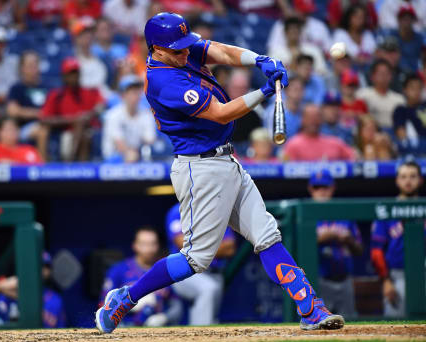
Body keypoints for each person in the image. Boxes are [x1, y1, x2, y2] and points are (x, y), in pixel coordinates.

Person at [95, 12, 345, 334]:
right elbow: (221, 114)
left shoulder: (178, 48)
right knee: (195, 259)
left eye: (186, 46)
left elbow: (220, 52)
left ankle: (310, 308)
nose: (186, 53)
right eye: (178, 50)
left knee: (267, 235)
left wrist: (259, 59)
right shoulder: (163, 80)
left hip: (226, 161)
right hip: (199, 168)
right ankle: (125, 298)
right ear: (156, 49)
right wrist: (264, 93)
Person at [165, 203, 235, 325]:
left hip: (215, 273)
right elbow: (183, 244)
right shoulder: (178, 211)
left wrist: (199, 246)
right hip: (186, 272)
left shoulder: (217, 211)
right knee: (207, 289)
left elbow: (230, 248)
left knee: (211, 317)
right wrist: (216, 246)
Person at [371, 160, 425, 317]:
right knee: (396, 324)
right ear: (397, 180)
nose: (408, 181)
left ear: (420, 180)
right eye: (403, 176)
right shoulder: (386, 210)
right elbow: (376, 251)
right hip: (398, 276)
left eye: (413, 176)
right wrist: (386, 280)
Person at [100, 227, 182, 327]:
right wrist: (129, 305)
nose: (149, 248)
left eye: (153, 244)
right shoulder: (119, 270)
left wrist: (165, 317)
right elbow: (103, 304)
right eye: (144, 244)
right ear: (135, 246)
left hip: (157, 330)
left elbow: (176, 305)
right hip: (125, 327)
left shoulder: (165, 270)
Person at [308, 170, 362, 318]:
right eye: (317, 187)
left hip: (344, 279)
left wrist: (348, 240)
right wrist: (324, 237)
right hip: (318, 280)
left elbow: (359, 250)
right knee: (318, 324)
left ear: (332, 188)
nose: (321, 192)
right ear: (310, 189)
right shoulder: (306, 214)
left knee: (350, 325)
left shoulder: (343, 213)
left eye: (325, 187)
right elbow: (297, 248)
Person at [37, 57, 104, 161]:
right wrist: (72, 120)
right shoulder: (57, 95)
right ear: (64, 76)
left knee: (85, 133)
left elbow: (101, 106)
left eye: (76, 73)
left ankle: (78, 169)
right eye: (70, 74)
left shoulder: (89, 92)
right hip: (63, 133)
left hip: (86, 132)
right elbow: (44, 119)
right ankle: (68, 164)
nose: (74, 77)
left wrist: (89, 115)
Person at [102, 74, 156, 162]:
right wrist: (129, 152)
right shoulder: (113, 115)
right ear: (123, 95)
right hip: (114, 159)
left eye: (138, 91)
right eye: (132, 91)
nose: (136, 95)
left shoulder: (146, 114)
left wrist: (135, 152)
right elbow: (119, 143)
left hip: (137, 156)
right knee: (130, 156)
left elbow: (150, 140)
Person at [283, 104, 355, 161]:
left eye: (317, 117)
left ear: (321, 120)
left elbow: (354, 157)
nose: (313, 121)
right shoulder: (293, 145)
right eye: (310, 118)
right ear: (302, 120)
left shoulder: (335, 143)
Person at [6, 51, 48, 144]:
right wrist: (38, 113)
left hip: (49, 123)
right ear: (22, 68)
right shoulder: (17, 87)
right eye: (30, 65)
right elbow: (12, 111)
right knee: (41, 130)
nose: (33, 68)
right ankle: (42, 159)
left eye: (35, 64)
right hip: (24, 127)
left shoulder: (47, 87)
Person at [356, 59, 405, 130]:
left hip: (393, 132)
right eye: (381, 74)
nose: (384, 77)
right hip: (371, 131)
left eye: (387, 74)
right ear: (372, 77)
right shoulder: (362, 95)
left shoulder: (399, 99)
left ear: (391, 76)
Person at [71, 17, 108, 96]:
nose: (88, 36)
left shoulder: (101, 57)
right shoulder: (71, 59)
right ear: (76, 37)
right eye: (84, 33)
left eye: (90, 32)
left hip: (101, 96)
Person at [393, 74, 426, 156]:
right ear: (405, 90)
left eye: (419, 88)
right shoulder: (401, 110)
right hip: (416, 148)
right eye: (412, 88)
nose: (416, 91)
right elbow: (401, 135)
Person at [389, 5, 424, 73]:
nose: (406, 22)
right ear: (398, 20)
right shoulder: (392, 36)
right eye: (404, 19)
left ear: (414, 20)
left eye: (409, 19)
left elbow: (423, 58)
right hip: (396, 74)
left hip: (415, 75)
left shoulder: (419, 38)